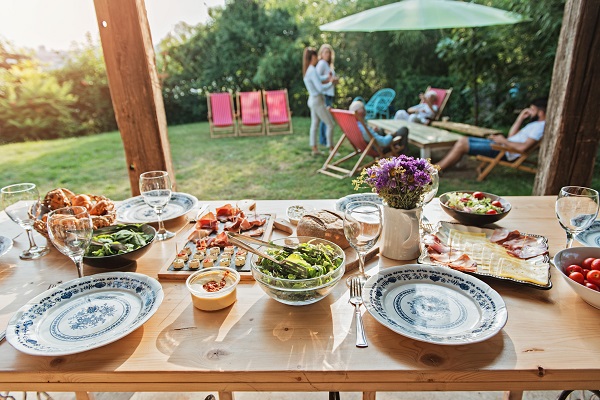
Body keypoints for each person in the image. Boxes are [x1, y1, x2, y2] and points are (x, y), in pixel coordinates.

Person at [436, 97, 548, 172]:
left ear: (541, 112)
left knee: (463, 145)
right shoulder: (535, 124)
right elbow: (512, 135)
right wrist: (520, 119)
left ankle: (437, 170)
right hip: (503, 145)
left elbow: (523, 147)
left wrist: (503, 141)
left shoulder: (540, 127)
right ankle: (439, 167)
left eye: (532, 109)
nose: (529, 111)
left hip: (505, 151)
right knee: (463, 139)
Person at [303, 47, 335, 156]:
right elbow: (320, 88)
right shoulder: (312, 70)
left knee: (315, 124)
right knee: (330, 124)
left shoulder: (309, 69)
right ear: (313, 57)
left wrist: (327, 77)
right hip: (317, 101)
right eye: (316, 56)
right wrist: (331, 83)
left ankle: (314, 148)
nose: (317, 58)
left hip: (312, 100)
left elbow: (318, 78)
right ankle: (332, 149)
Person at [316, 44, 338, 147]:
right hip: (325, 93)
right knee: (326, 119)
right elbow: (317, 79)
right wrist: (329, 80)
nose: (327, 54)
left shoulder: (328, 65)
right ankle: (324, 140)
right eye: (325, 52)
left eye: (329, 52)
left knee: (325, 119)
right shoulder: (321, 63)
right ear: (321, 53)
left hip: (329, 93)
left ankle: (324, 140)